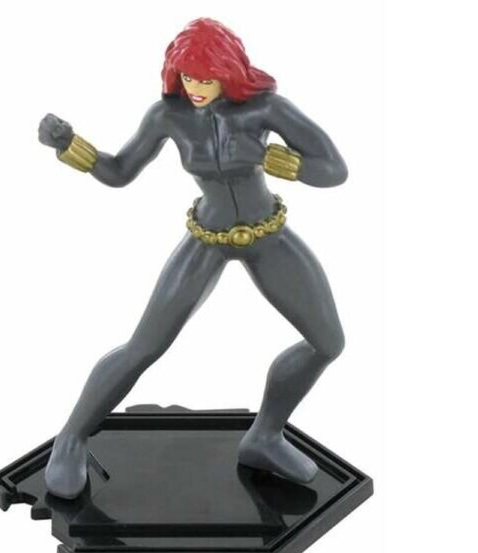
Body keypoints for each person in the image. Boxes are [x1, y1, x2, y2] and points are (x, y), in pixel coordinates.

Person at [38, 17, 348, 499]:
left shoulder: (265, 108)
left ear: (228, 73)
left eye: (206, 78)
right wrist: (70, 146)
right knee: (144, 346)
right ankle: (71, 440)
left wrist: (286, 164)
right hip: (207, 238)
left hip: (268, 236)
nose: (196, 88)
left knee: (327, 342)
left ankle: (265, 436)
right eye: (187, 77)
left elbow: (334, 169)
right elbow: (119, 171)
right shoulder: (168, 116)